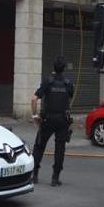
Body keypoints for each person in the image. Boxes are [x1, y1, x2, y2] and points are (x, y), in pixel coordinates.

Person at [30, 56, 74, 187]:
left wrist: (34, 116)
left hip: (47, 119)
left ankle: (34, 175)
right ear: (64, 69)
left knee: (39, 146)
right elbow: (69, 97)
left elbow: (33, 99)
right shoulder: (68, 83)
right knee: (60, 149)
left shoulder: (47, 82)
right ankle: (55, 178)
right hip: (62, 120)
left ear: (53, 68)